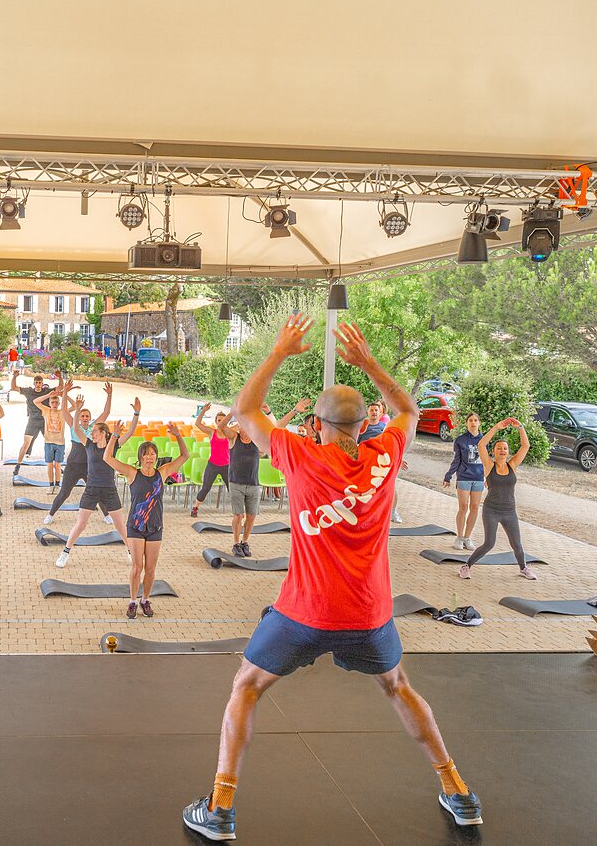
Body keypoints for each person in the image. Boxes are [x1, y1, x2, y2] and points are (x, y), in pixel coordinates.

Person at [183, 316, 481, 841]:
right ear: (366, 423)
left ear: (317, 426)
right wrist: (368, 363)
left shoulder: (299, 456)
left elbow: (245, 410)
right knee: (398, 687)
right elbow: (408, 410)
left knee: (247, 686)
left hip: (303, 613)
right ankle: (459, 791)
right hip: (368, 616)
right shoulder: (385, 455)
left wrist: (277, 354)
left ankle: (222, 807)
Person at [103, 421, 190, 618]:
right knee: (137, 567)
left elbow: (185, 456)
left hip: (155, 527)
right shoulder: (132, 473)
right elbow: (107, 457)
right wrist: (114, 436)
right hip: (135, 526)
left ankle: (146, 600)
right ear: (140, 456)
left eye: (153, 454)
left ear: (156, 457)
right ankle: (133, 601)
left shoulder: (163, 472)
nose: (149, 457)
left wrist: (177, 436)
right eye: (146, 454)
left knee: (150, 569)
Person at [53, 394, 140, 568]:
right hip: (91, 489)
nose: (90, 433)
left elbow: (130, 432)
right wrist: (77, 409)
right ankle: (65, 553)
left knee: (120, 526)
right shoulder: (89, 445)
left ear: (103, 433)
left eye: (94, 431)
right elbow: (77, 430)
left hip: (109, 490)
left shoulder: (113, 445)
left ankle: (130, 552)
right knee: (80, 524)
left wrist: (136, 413)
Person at [458, 418, 534, 580]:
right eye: (499, 448)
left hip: (509, 511)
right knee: (489, 543)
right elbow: (481, 445)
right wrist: (496, 427)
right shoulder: (489, 466)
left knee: (517, 544)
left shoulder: (512, 465)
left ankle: (523, 568)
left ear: (508, 452)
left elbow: (525, 446)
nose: (502, 450)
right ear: (494, 451)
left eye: (505, 448)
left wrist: (520, 427)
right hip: (491, 510)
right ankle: (467, 566)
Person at [44, 382, 112, 524]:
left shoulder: (94, 427)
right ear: (79, 417)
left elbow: (106, 413)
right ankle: (50, 514)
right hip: (73, 465)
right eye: (82, 416)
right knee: (64, 493)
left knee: (96, 491)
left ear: (90, 418)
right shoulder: (74, 426)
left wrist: (109, 395)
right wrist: (65, 393)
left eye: (87, 416)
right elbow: (64, 411)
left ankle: (107, 516)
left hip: (89, 465)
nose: (85, 418)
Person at [214, 413, 261, 558]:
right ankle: (235, 543)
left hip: (253, 483)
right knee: (238, 515)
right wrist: (233, 412)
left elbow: (275, 430)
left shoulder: (257, 441)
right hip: (236, 483)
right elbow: (221, 426)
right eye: (242, 426)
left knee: (251, 516)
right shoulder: (234, 438)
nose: (244, 430)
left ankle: (244, 542)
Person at [443, 412, 484, 550]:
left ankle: (467, 537)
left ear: (479, 423)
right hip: (464, 477)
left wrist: (489, 477)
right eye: (470, 420)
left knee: (475, 507)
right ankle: (459, 537)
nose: (473, 422)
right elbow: (456, 460)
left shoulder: (484, 440)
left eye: (475, 420)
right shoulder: (460, 440)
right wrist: (448, 476)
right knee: (463, 506)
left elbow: (487, 461)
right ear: (467, 423)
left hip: (478, 478)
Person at [10, 369, 57, 474]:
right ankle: (18, 465)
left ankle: (56, 465)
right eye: (36, 382)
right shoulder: (29, 391)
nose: (38, 384)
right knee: (26, 443)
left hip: (44, 420)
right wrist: (15, 376)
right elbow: (13, 387)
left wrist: (60, 378)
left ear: (42, 383)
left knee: (51, 443)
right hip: (32, 420)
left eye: (40, 382)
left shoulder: (47, 391)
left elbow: (60, 388)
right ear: (34, 383)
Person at [191, 404, 230, 517]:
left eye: (223, 420)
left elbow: (244, 424)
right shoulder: (212, 432)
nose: (221, 422)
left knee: (232, 489)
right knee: (206, 488)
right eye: (219, 420)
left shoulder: (230, 432)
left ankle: (238, 512)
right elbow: (198, 424)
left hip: (226, 465)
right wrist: (203, 411)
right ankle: (195, 508)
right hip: (213, 465)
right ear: (216, 422)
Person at [33, 389, 69, 491]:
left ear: (59, 403)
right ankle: (50, 485)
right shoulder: (46, 410)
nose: (54, 404)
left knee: (58, 465)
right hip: (48, 442)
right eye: (52, 402)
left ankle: (57, 485)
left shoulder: (62, 412)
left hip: (60, 443)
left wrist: (65, 395)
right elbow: (35, 401)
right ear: (49, 403)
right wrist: (48, 395)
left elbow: (75, 407)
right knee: (49, 464)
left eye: (56, 402)